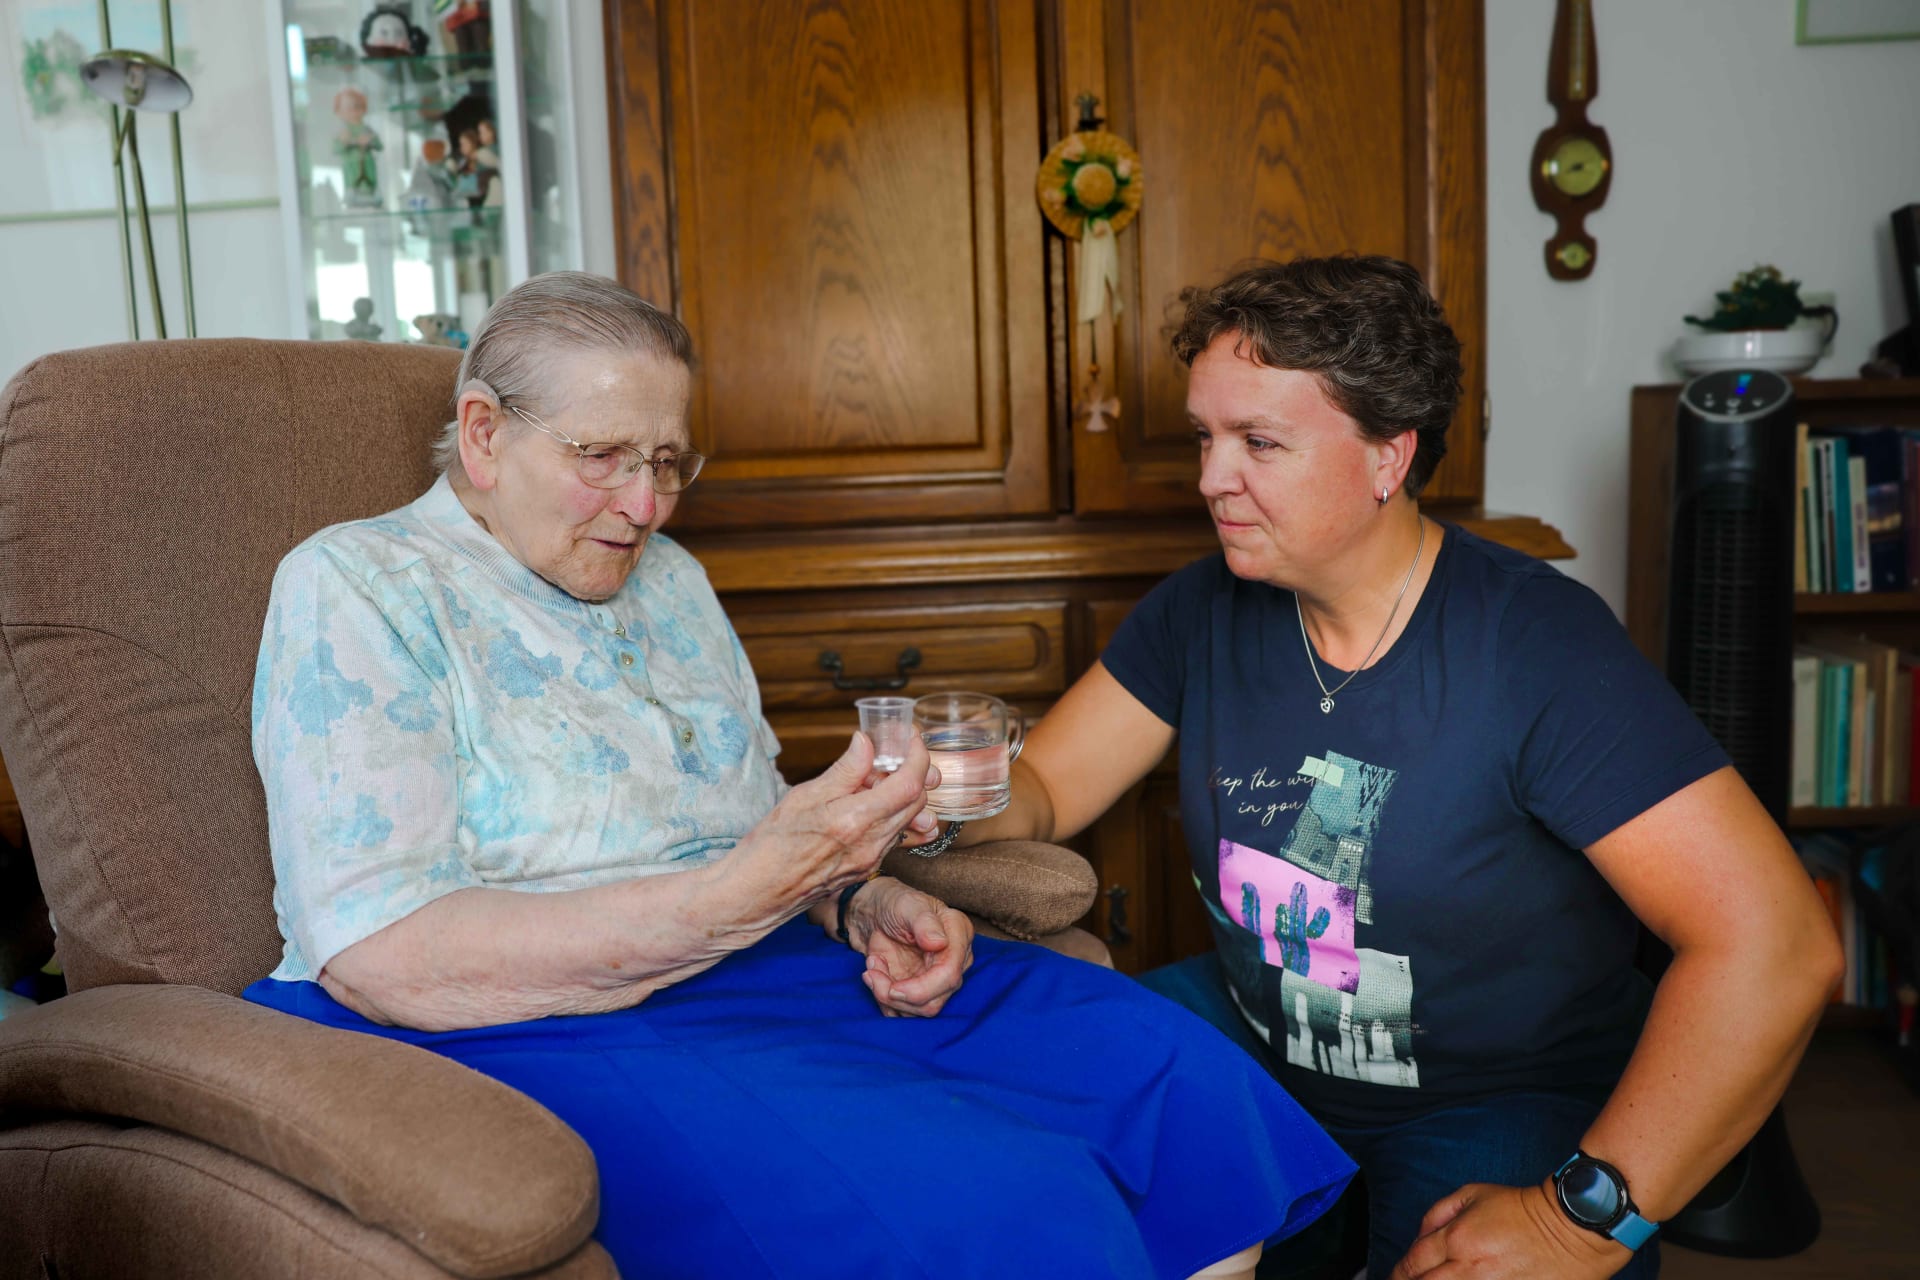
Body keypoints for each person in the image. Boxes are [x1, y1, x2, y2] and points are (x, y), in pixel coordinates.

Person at [244, 271, 1355, 1279]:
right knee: (999, 1196)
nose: (645, 505)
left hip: (754, 964)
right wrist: (729, 902)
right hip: (535, 1018)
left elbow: (743, 831)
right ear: (484, 434)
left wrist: (855, 898)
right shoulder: (362, 584)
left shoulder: (669, 580)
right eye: (602, 457)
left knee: (1176, 1074)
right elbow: (379, 951)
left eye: (666, 463)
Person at [957, 255, 1843, 1279]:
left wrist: (1575, 1223)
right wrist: (930, 793)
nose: (1209, 477)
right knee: (1013, 1097)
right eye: (1205, 436)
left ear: (1390, 454)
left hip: (1505, 1091)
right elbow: (1044, 789)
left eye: (1258, 442)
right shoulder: (1200, 610)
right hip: (1259, 1038)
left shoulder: (1535, 645)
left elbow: (1777, 945)